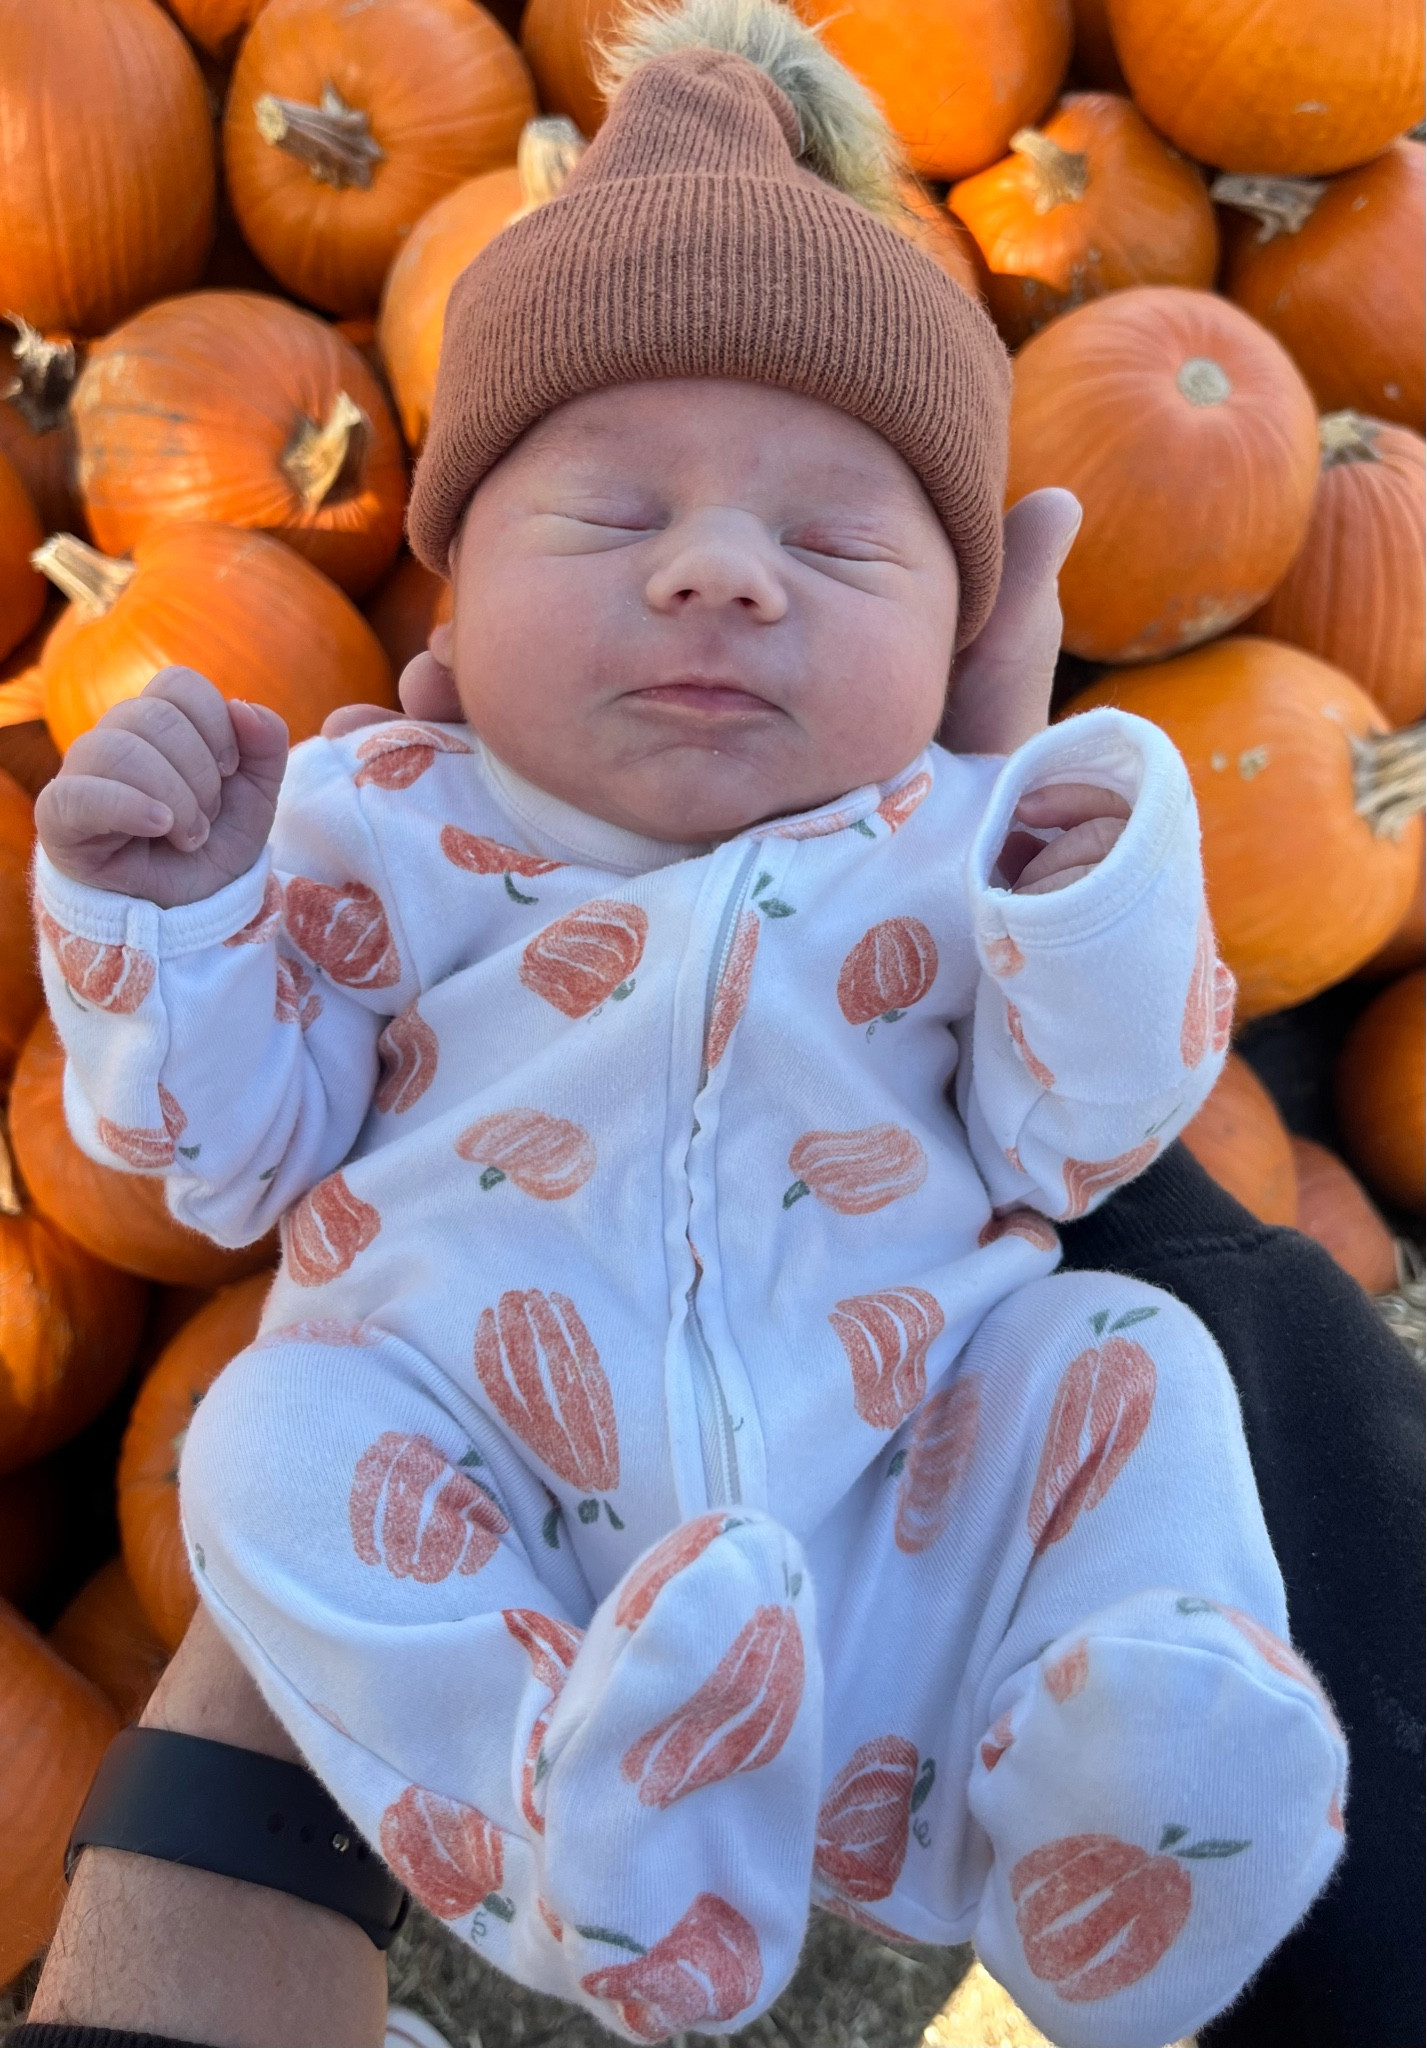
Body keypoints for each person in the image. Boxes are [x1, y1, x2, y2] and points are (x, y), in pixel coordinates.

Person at [27, 6, 1346, 2043]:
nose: (724, 571)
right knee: (264, 1450)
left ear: (958, 621)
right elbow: (226, 1152)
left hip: (906, 1506)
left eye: (834, 540)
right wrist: (172, 926)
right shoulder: (380, 817)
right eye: (615, 518)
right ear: (451, 589)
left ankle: (1119, 1757)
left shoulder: (955, 839)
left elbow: (1071, 1138)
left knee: (1132, 1348)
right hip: (486, 1512)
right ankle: (589, 1832)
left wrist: (1083, 883)